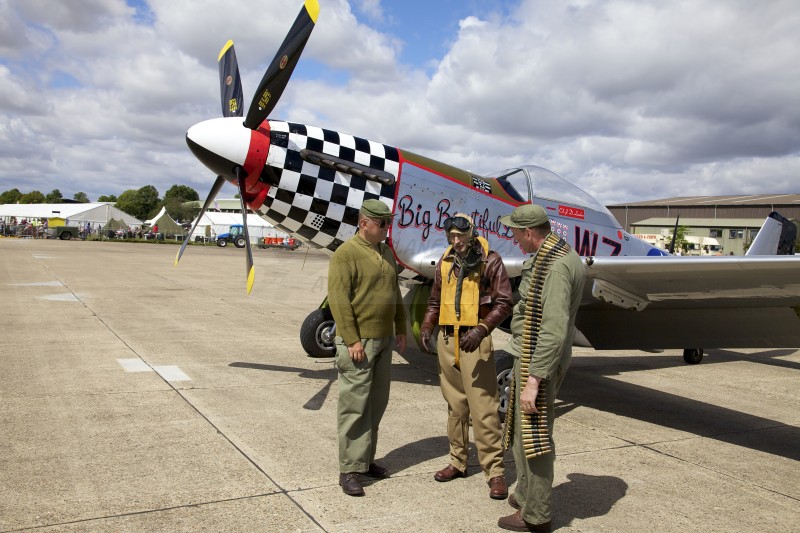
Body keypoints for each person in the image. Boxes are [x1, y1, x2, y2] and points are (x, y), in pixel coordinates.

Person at [496, 204, 586, 533]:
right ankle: (526, 495)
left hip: (539, 360)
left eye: (516, 233)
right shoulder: (557, 255)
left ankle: (536, 515)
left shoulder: (557, 267)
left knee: (533, 439)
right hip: (533, 355)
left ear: (530, 232)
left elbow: (553, 329)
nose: (514, 238)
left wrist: (534, 379)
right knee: (522, 434)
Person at [419, 213, 513, 499]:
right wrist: (427, 326)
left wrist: (482, 330)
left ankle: (495, 472)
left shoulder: (490, 261)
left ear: (471, 233)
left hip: (475, 341)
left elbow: (504, 302)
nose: (456, 240)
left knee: (484, 409)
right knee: (455, 407)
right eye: (452, 236)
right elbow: (435, 300)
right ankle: (457, 462)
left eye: (461, 235)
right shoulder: (445, 261)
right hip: (448, 340)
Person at [327, 199, 407, 497]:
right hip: (359, 343)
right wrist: (352, 340)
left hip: (384, 340)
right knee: (354, 405)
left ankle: (365, 460)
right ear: (364, 223)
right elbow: (338, 299)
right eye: (382, 223)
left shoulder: (385, 252)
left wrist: (400, 327)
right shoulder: (345, 254)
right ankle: (349, 469)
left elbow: (394, 292)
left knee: (376, 403)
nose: (387, 228)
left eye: (389, 223)